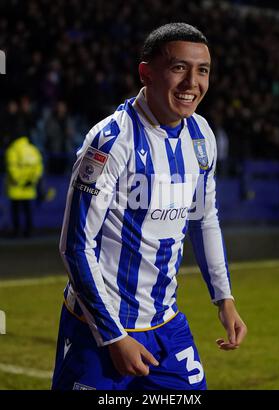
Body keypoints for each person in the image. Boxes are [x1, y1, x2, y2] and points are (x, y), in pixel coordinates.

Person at [52, 22, 247, 391]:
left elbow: (204, 218)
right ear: (146, 73)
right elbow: (75, 245)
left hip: (166, 325)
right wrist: (113, 336)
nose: (193, 83)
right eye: (178, 68)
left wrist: (224, 298)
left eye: (202, 70)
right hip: (99, 329)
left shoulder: (201, 135)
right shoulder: (110, 142)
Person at [5, 135, 43, 237]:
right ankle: (29, 231)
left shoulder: (12, 150)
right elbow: (39, 167)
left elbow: (11, 168)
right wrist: (31, 180)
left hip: (15, 187)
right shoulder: (33, 149)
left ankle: (16, 231)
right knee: (28, 210)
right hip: (29, 187)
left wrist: (19, 181)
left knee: (15, 210)